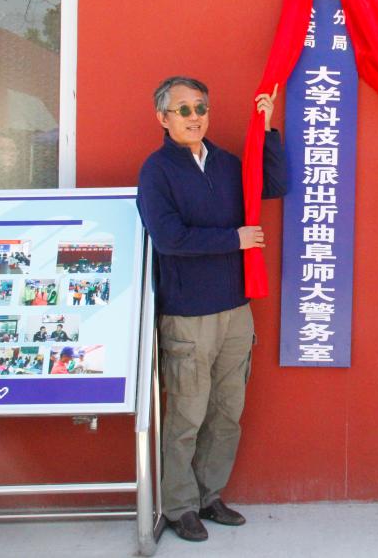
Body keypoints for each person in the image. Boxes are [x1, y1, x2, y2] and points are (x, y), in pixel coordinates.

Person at [136, 76, 286, 543]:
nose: (194, 116)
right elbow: (169, 238)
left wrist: (267, 128)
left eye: (200, 107)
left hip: (235, 309)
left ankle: (208, 495)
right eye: (183, 109)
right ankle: (179, 506)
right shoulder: (157, 171)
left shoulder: (226, 164)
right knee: (186, 415)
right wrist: (232, 239)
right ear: (162, 118)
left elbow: (275, 184)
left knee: (226, 411)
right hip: (188, 314)